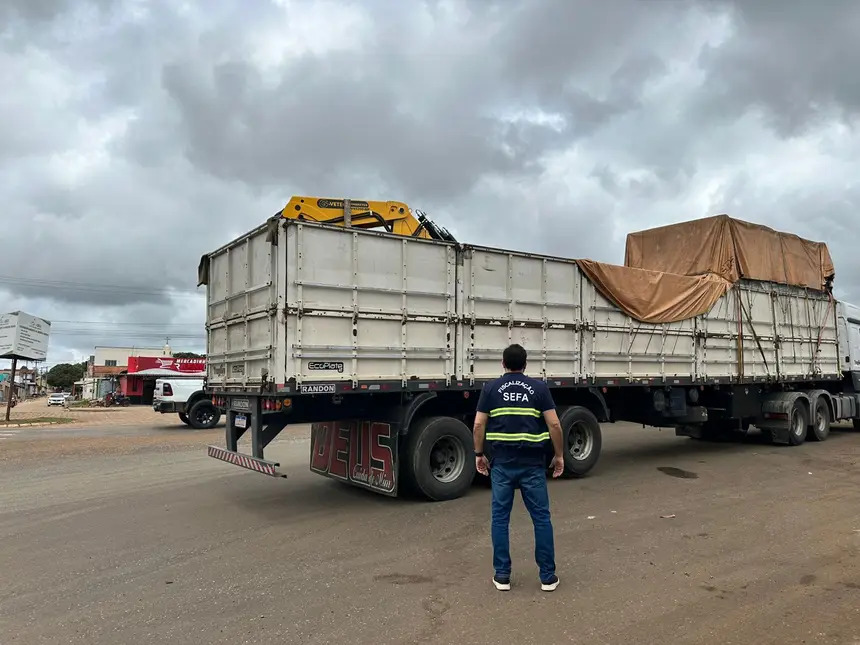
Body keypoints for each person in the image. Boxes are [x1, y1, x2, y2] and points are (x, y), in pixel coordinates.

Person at [473, 343, 565, 592]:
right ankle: (547, 577)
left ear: (503, 363)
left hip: (502, 464)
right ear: (525, 364)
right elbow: (554, 425)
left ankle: (502, 575)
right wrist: (559, 456)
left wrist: (479, 454)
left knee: (500, 519)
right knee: (541, 519)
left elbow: (479, 425)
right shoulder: (539, 388)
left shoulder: (491, 388)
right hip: (532, 465)